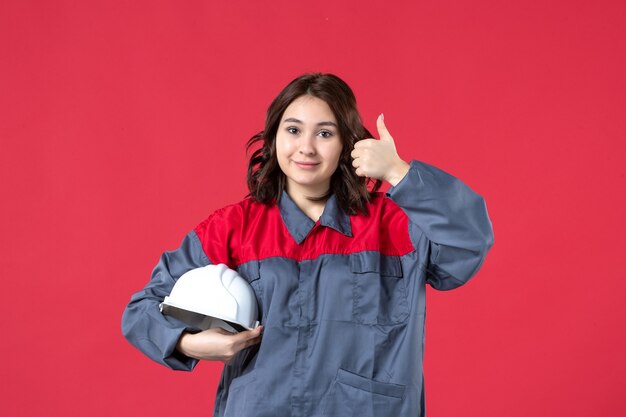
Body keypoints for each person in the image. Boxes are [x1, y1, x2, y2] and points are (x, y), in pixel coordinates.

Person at [122, 73, 494, 417]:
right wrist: (188, 344)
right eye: (294, 130)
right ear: (273, 138)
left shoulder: (395, 224)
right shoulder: (234, 228)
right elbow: (142, 310)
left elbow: (470, 243)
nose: (306, 148)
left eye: (325, 133)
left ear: (349, 143)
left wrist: (400, 172)